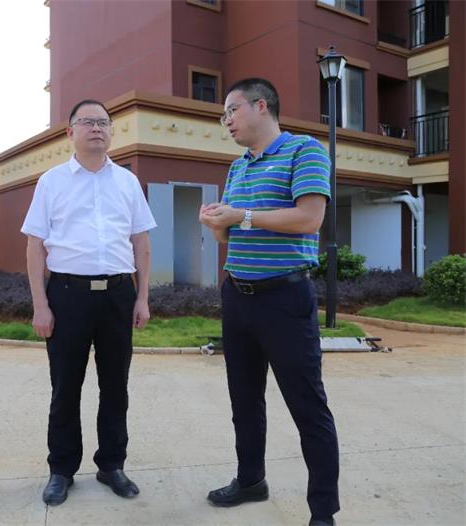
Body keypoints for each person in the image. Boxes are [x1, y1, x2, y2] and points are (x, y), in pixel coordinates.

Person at [199, 78, 340, 526]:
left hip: (285, 298)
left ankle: (322, 511)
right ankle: (250, 481)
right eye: (224, 115)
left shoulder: (305, 151)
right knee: (244, 400)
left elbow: (309, 218)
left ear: (261, 106)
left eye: (232, 110)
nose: (226, 121)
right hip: (238, 296)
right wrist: (217, 223)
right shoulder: (237, 166)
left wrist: (241, 215)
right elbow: (230, 236)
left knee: (307, 405)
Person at [22, 99, 156, 506]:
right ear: (70, 132)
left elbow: (141, 243)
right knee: (65, 387)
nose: (97, 128)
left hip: (118, 295)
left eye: (103, 122)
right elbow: (34, 247)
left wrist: (142, 297)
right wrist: (40, 305)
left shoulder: (127, 182)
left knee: (116, 386)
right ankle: (61, 469)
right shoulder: (51, 182)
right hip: (67, 296)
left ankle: (111, 464)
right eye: (88, 122)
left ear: (111, 132)